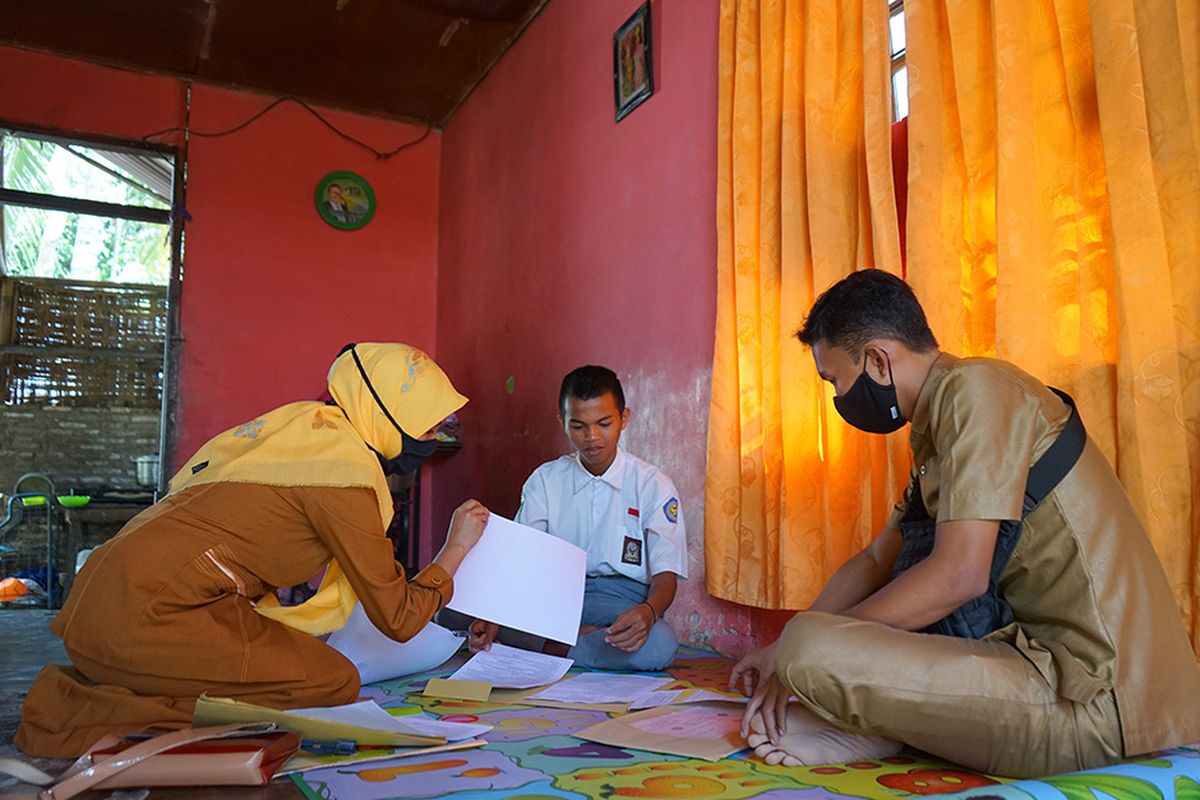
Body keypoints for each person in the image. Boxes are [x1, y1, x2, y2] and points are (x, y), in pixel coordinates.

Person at [731, 270, 1200, 777]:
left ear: (877, 360)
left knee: (811, 645)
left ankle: (869, 725)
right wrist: (781, 649)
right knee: (805, 639)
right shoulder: (937, 427)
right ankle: (870, 727)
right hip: (1038, 670)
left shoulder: (976, 390)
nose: (839, 397)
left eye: (835, 380)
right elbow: (874, 559)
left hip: (1099, 702)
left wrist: (806, 658)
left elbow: (960, 575)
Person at [17, 343, 490, 758]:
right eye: (426, 427)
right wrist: (455, 548)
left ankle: (112, 679)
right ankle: (76, 708)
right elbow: (400, 619)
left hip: (106, 602)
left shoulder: (308, 427)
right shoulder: (344, 477)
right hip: (145, 616)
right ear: (386, 416)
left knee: (298, 657)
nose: (433, 440)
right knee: (332, 681)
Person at [467, 365, 686, 670]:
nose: (592, 437)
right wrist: (495, 614)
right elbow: (521, 558)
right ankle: (578, 642)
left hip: (621, 603)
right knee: (464, 616)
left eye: (604, 423)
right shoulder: (545, 480)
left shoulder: (653, 484)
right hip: (555, 599)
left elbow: (666, 574)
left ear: (624, 418)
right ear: (563, 423)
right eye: (579, 425)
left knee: (659, 644)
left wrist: (647, 613)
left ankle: (552, 646)